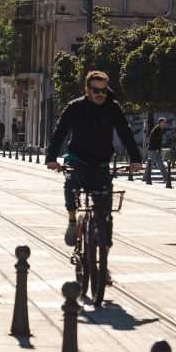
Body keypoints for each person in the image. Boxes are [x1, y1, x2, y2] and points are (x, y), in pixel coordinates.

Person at [46, 70, 142, 257]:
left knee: (105, 214)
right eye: (96, 90)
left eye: (103, 90)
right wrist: (51, 158)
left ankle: (103, 260)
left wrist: (136, 159)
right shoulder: (74, 107)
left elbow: (126, 133)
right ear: (87, 89)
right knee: (71, 185)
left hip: (101, 164)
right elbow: (60, 133)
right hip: (78, 161)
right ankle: (73, 222)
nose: (100, 94)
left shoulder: (112, 108)